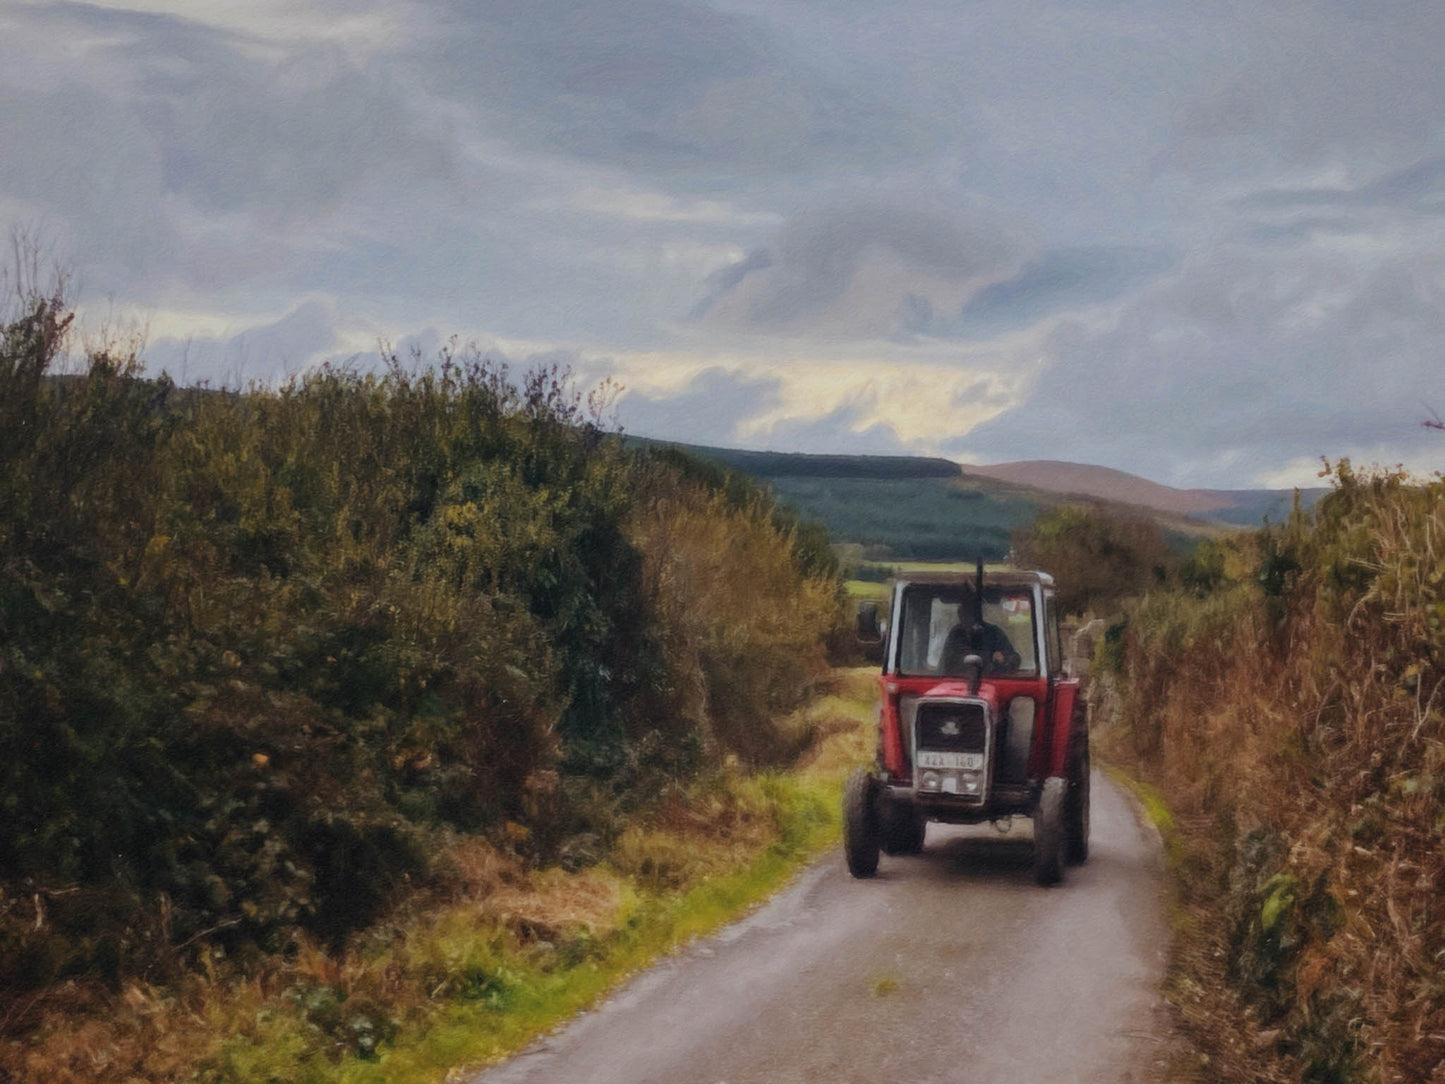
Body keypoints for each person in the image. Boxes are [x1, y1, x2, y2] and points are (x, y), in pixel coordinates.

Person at [940, 612, 1021, 676]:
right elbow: (945, 663)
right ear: (960, 615)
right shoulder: (956, 634)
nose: (968, 617)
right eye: (964, 613)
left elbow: (1014, 659)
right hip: (959, 680)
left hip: (992, 679)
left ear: (979, 615)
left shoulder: (994, 632)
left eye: (971, 613)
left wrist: (1004, 658)